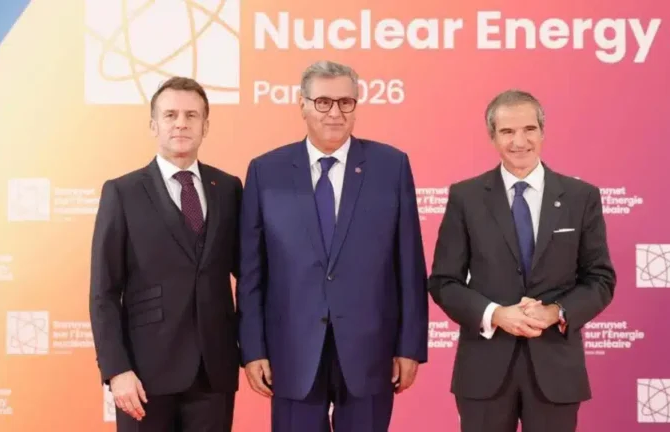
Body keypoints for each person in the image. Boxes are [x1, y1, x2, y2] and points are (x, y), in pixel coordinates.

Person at [236, 60, 428, 432]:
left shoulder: (391, 166)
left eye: (345, 102)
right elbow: (251, 273)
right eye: (323, 102)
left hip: (371, 352)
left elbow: (409, 264)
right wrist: (253, 349)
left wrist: (409, 346)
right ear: (302, 105)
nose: (335, 113)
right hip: (290, 353)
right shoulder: (266, 171)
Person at [428, 89, 616, 432]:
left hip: (556, 370)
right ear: (492, 137)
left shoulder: (581, 197)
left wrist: (555, 312)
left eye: (529, 129)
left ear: (543, 132)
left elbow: (600, 279)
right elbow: (444, 282)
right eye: (507, 131)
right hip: (483, 371)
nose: (519, 141)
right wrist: (496, 314)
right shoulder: (466, 197)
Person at [89, 77, 241, 432]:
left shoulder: (228, 188)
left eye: (192, 115)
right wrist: (116, 369)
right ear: (153, 125)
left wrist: (252, 349)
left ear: (205, 126)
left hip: (214, 373)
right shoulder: (122, 192)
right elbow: (104, 292)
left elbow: (249, 275)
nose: (181, 123)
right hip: (143, 376)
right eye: (170, 115)